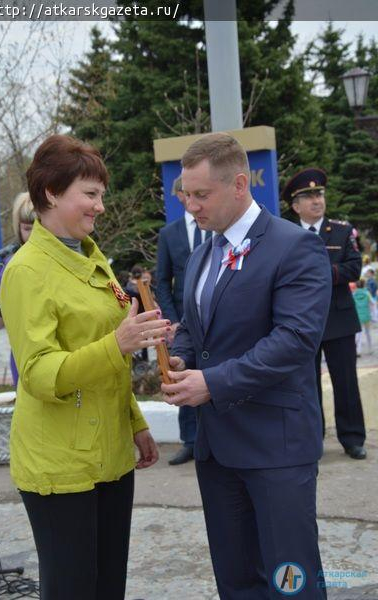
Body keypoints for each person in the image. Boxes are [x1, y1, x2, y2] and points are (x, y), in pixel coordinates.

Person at [0, 134, 170, 600]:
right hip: (60, 463)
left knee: (107, 584)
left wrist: (135, 423)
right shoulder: (26, 271)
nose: (99, 206)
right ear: (52, 192)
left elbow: (111, 357)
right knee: (73, 588)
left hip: (109, 453)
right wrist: (119, 343)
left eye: (101, 195)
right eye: (90, 194)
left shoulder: (93, 260)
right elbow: (38, 373)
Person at [161, 133, 332, 599]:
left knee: (289, 582)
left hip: (275, 448)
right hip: (217, 451)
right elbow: (200, 332)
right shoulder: (200, 254)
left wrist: (211, 383)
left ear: (239, 185)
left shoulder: (294, 246)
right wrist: (181, 359)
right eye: (185, 195)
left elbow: (294, 341)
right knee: (235, 581)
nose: (189, 207)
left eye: (200, 195)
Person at [285, 168, 367, 460]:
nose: (316, 200)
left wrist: (316, 273)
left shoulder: (343, 231)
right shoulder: (287, 234)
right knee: (306, 384)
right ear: (296, 206)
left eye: (319, 194)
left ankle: (352, 438)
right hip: (302, 321)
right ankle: (311, 437)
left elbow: (353, 269)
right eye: (308, 197)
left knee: (345, 382)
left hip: (339, 319)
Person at [156, 175, 211, 465]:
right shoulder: (170, 233)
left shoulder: (217, 228)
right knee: (183, 373)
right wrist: (174, 322)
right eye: (184, 193)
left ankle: (212, 437)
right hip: (182, 321)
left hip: (213, 316)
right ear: (178, 196)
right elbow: (162, 281)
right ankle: (190, 440)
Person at [0, 192, 36, 386]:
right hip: (23, 357)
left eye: (39, 227)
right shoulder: (11, 264)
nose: (33, 235)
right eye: (27, 228)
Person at [353, 280, 373, 355]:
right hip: (367, 316)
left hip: (358, 316)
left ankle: (358, 350)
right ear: (364, 285)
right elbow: (372, 303)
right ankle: (370, 348)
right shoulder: (367, 293)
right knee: (368, 333)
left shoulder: (354, 294)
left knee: (358, 334)